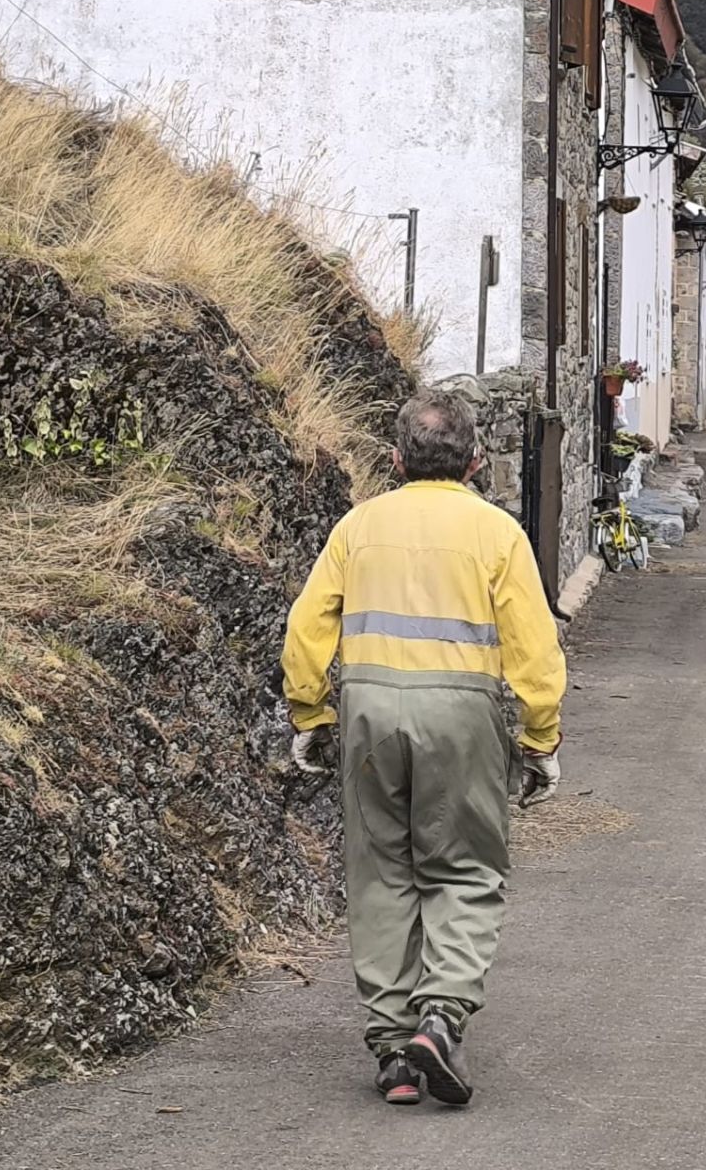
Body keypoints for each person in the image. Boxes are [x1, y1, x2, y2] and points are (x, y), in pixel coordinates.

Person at [280, 390, 566, 1109]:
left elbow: (308, 629)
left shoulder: (359, 526)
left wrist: (311, 714)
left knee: (381, 871)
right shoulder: (498, 533)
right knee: (465, 868)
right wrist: (540, 737)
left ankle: (393, 1050)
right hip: (463, 712)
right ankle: (440, 1017)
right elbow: (534, 647)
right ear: (475, 460)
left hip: (370, 709)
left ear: (396, 459)